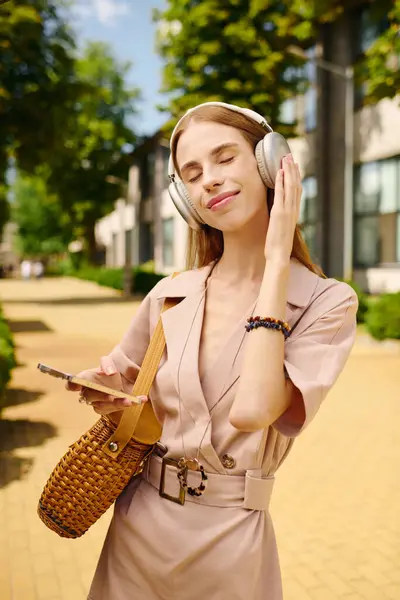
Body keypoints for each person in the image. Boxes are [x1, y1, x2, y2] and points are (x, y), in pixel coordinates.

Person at [67, 102, 358, 600]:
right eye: (193, 173)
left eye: (226, 158)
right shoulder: (170, 294)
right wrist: (110, 393)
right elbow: (128, 390)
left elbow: (254, 411)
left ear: (270, 164)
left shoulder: (327, 303)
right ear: (185, 198)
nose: (211, 181)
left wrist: (274, 261)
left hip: (230, 542)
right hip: (138, 527)